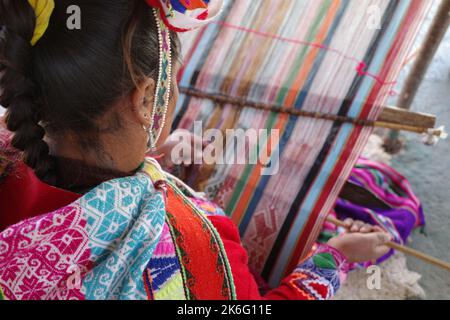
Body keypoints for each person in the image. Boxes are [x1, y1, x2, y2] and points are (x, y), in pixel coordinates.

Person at [0, 0, 392, 300]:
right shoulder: (195, 248)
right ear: (145, 100)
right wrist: (334, 258)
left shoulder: (8, 151)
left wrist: (152, 158)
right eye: (174, 85)